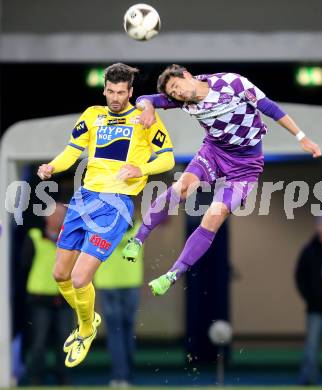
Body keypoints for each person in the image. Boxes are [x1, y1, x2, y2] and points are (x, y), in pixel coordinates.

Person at [123, 63, 322, 296]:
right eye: (172, 93)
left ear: (188, 75)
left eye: (177, 86)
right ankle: (137, 240)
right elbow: (145, 98)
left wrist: (302, 137)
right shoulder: (182, 100)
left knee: (214, 216)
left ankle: (172, 275)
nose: (177, 93)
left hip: (246, 167)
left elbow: (269, 107)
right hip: (214, 152)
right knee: (183, 188)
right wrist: (147, 108)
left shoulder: (232, 83)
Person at [37, 63, 175, 368]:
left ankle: (86, 328)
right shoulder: (92, 115)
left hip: (116, 204)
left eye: (121, 92)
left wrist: (143, 169)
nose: (115, 97)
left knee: (79, 277)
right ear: (104, 90)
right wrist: (52, 167)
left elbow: (167, 158)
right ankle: (89, 318)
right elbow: (72, 151)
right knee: (59, 275)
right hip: (84, 198)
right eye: (110, 91)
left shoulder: (144, 118)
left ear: (130, 92)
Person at [21, 203, 73, 384]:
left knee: (65, 341)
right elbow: (24, 264)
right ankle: (36, 379)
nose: (57, 218)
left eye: (61, 215)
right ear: (45, 217)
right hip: (40, 297)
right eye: (54, 214)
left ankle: (63, 379)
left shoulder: (71, 239)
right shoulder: (34, 237)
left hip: (65, 297)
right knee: (38, 341)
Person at [94, 216, 143, 388]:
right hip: (130, 283)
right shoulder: (138, 227)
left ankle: (119, 375)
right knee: (128, 330)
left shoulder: (101, 228)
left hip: (108, 284)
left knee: (116, 332)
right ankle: (128, 375)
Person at [295, 215, 322, 385]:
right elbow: (300, 277)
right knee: (312, 346)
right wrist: (310, 298)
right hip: (315, 308)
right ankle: (309, 379)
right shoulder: (309, 250)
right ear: (318, 227)